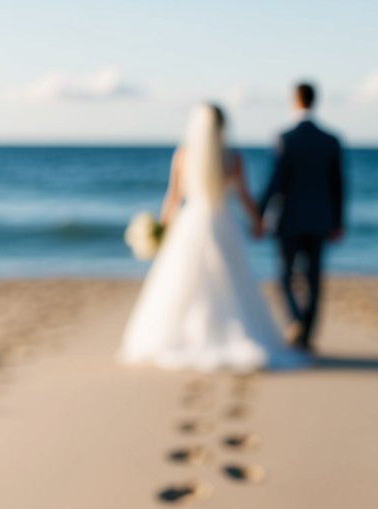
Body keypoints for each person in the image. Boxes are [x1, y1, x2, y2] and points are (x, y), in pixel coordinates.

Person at [120, 104, 302, 372]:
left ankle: (184, 336)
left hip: (190, 222)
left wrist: (162, 226)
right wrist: (258, 222)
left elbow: (173, 198)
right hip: (221, 223)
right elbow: (244, 197)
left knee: (184, 282)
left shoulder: (183, 156)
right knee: (228, 283)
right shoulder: (233, 159)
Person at [260, 82, 345, 351]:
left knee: (285, 275)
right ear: (314, 101)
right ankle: (307, 334)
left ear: (295, 101)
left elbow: (276, 182)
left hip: (289, 219)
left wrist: (259, 214)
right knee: (314, 278)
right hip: (321, 219)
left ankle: (295, 319)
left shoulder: (286, 138)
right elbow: (339, 186)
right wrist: (338, 221)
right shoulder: (330, 140)